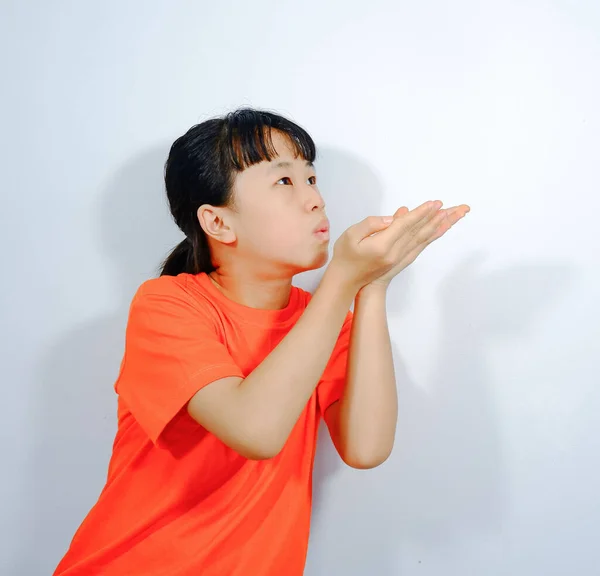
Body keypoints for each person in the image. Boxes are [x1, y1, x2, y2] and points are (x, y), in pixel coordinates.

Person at [53, 108, 469, 576]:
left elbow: (367, 448)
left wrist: (371, 287)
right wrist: (341, 280)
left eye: (311, 178)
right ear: (218, 223)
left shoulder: (323, 320)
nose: (315, 199)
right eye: (284, 182)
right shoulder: (168, 306)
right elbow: (255, 431)